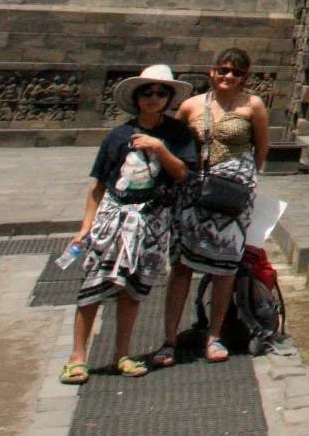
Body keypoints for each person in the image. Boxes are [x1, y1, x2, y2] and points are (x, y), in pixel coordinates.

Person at [62, 66, 197, 384]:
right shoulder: (117, 136)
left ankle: (122, 352)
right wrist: (86, 226)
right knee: (93, 285)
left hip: (152, 219)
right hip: (114, 217)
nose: (153, 98)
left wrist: (158, 148)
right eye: (147, 92)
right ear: (137, 98)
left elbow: (182, 174)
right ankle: (77, 356)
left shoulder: (177, 135)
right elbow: (99, 185)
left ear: (168, 99)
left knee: (133, 290)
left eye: (160, 93)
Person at [159, 48, 271, 366]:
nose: (229, 77)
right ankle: (169, 338)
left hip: (234, 196)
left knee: (225, 267)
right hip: (194, 191)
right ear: (212, 71)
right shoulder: (192, 106)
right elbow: (176, 142)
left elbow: (261, 149)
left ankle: (214, 335)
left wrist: (243, 178)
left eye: (236, 72)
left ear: (245, 77)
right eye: (223, 70)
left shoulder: (253, 106)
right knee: (182, 265)